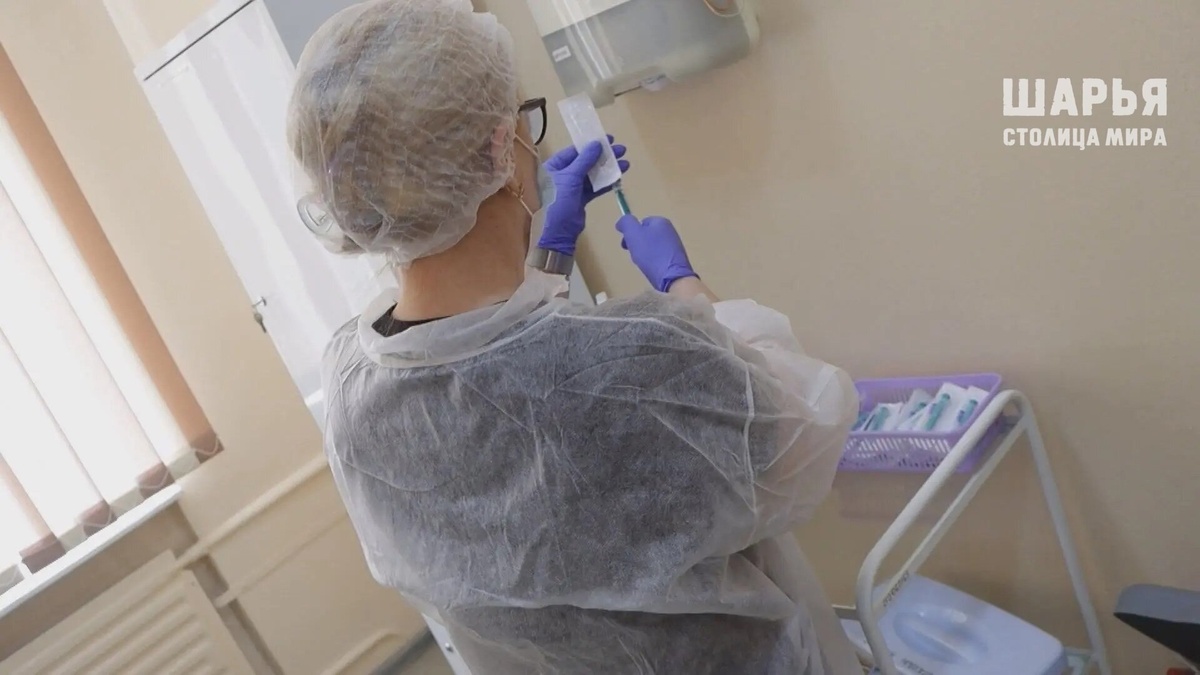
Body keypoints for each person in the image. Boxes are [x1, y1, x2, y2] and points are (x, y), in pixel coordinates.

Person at [287, 1, 861, 673]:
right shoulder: (639, 360)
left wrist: (550, 251)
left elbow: (485, 362)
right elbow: (805, 430)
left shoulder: (352, 389)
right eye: (524, 123)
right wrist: (684, 284)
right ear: (501, 152)